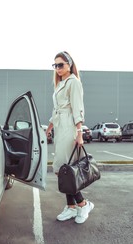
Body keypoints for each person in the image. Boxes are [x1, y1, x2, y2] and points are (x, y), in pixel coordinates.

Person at [46, 51, 94, 224]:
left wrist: (79, 133)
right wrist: (49, 127)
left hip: (70, 128)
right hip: (60, 127)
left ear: (69, 64)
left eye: (61, 64)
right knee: (62, 169)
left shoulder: (73, 82)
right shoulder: (60, 84)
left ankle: (83, 203)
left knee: (64, 169)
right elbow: (56, 109)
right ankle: (72, 207)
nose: (57, 68)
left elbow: (77, 108)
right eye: (55, 65)